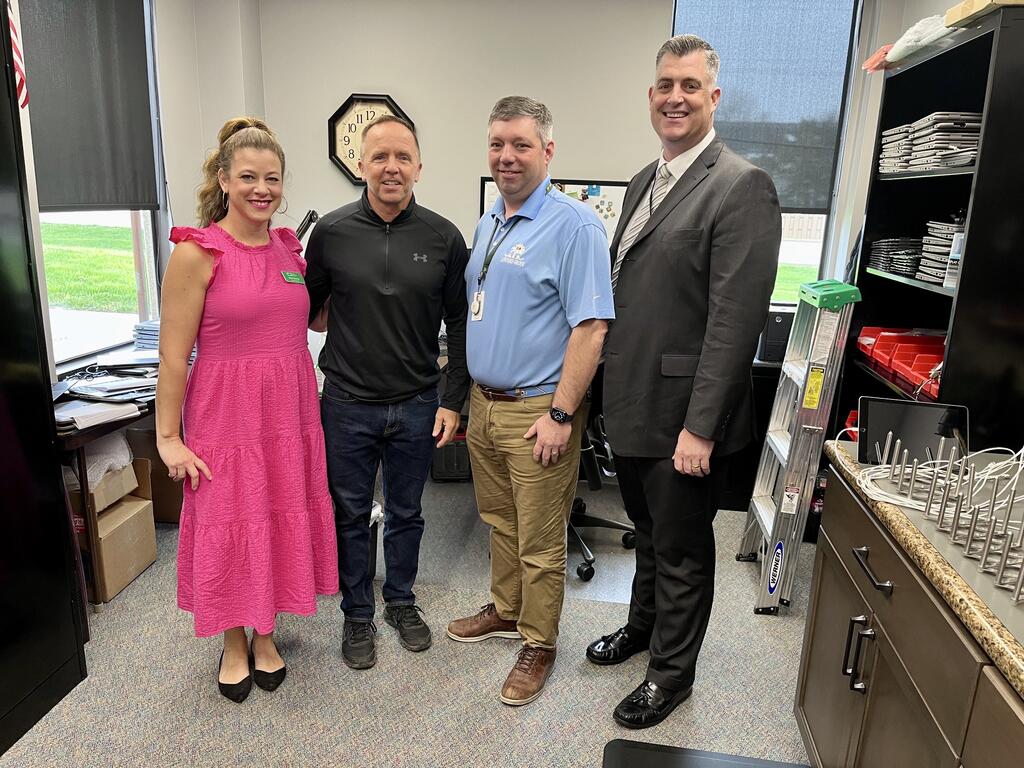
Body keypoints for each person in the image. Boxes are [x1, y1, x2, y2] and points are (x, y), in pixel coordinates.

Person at [588, 34, 781, 728]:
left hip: (683, 417)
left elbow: (734, 323)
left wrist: (700, 429)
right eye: (665, 85)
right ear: (651, 96)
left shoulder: (741, 185)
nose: (675, 97)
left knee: (681, 551)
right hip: (633, 402)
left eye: (690, 86)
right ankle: (643, 629)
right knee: (647, 534)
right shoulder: (646, 179)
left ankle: (670, 676)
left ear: (713, 97)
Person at [156, 117, 339, 703]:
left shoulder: (288, 249)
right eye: (249, 177)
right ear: (223, 179)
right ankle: (233, 641)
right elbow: (173, 355)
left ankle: (265, 633)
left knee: (277, 515)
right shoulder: (197, 252)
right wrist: (168, 437)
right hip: (224, 418)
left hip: (289, 414)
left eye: (273, 179)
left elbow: (309, 321)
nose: (263, 189)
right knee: (231, 522)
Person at [446, 96, 614, 706]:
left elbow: (591, 328)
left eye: (521, 144)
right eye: (497, 144)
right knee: (499, 521)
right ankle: (507, 608)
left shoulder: (575, 226)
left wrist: (561, 415)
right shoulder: (490, 221)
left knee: (540, 540)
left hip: (537, 409)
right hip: (485, 405)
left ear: (547, 151)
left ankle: (539, 642)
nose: (506, 156)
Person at [305, 115, 469, 670]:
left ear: (419, 166)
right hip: (346, 403)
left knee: (407, 511)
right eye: (379, 157)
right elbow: (305, 309)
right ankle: (357, 613)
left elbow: (460, 323)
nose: (391, 167)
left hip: (418, 401)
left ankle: (399, 600)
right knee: (350, 514)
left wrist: (452, 400)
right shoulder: (331, 233)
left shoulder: (444, 237)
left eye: (402, 157)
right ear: (361, 165)